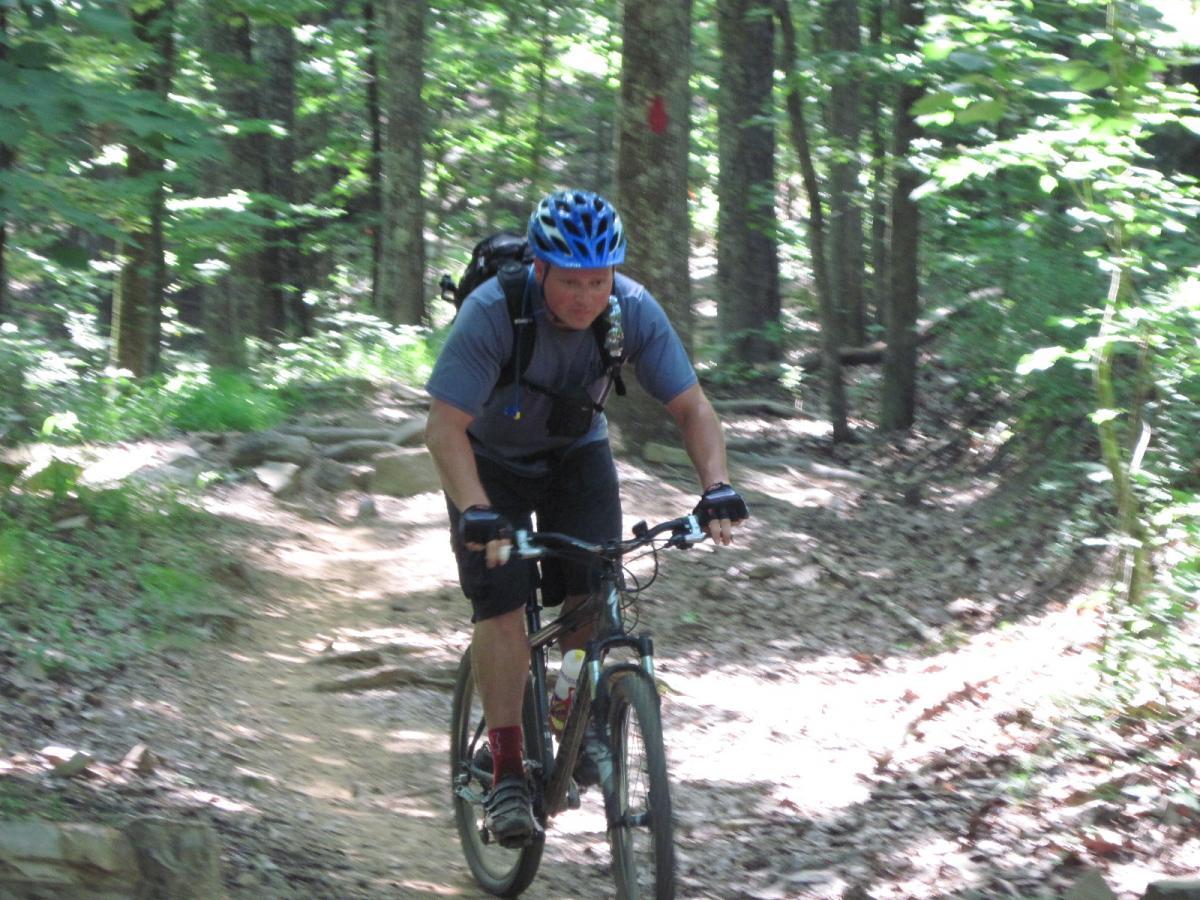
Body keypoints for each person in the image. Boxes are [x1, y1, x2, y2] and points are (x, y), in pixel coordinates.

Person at [425, 189, 749, 848]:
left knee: (596, 584)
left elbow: (692, 408)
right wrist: (477, 510)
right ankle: (510, 768)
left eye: (597, 280)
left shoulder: (631, 310)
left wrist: (716, 487)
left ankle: (575, 704)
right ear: (540, 269)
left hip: (577, 455)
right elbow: (443, 430)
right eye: (570, 281)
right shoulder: (492, 313)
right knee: (502, 602)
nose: (585, 296)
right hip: (489, 464)